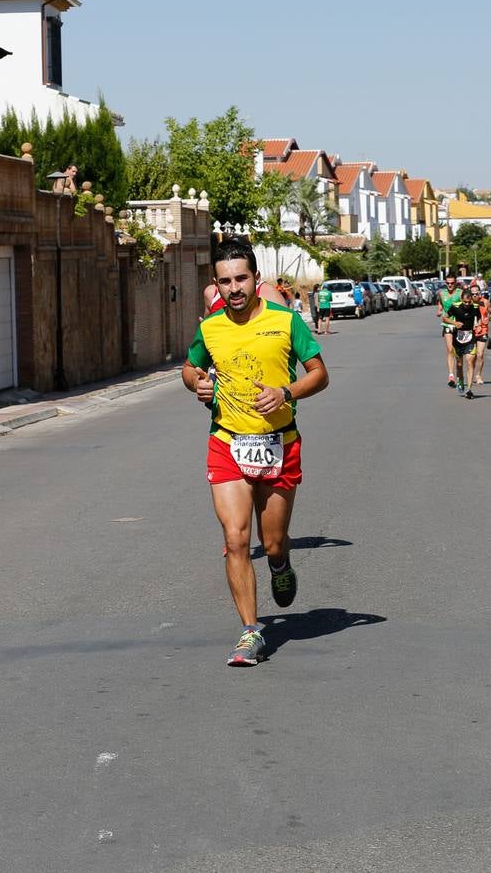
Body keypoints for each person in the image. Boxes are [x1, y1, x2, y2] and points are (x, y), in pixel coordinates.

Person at [181, 240, 329, 666]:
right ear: (216, 285)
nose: (234, 288)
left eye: (241, 279)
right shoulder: (211, 328)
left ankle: (280, 565)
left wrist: (286, 392)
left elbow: (319, 374)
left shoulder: (285, 321)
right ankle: (251, 632)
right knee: (235, 539)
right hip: (227, 441)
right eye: (225, 281)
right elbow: (190, 368)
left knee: (274, 542)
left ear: (255, 279)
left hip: (278, 443)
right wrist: (197, 384)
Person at [444, 288, 482, 399]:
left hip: (470, 338)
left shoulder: (475, 307)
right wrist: (455, 323)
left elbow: (479, 318)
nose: (467, 304)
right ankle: (460, 380)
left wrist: (478, 325)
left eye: (469, 302)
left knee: (470, 362)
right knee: (459, 365)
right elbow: (445, 318)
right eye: (465, 302)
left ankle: (469, 389)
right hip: (458, 340)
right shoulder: (455, 307)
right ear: (461, 299)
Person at [436, 270, 465, 388]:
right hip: (447, 324)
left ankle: (459, 375)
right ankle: (451, 375)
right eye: (448, 283)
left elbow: (466, 305)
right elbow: (440, 304)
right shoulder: (442, 294)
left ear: (456, 283)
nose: (450, 285)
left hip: (459, 324)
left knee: (459, 353)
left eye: (452, 283)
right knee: (450, 349)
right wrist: (439, 311)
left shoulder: (460, 293)